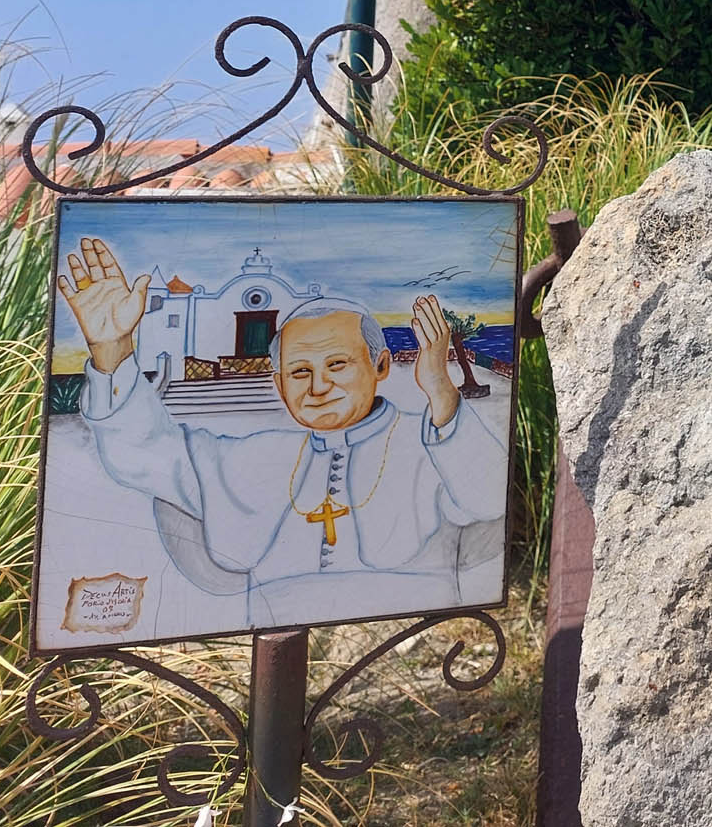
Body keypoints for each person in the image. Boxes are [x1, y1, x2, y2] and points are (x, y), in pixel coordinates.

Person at [61, 236, 507, 628]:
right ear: (277, 384)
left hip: (418, 628)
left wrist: (443, 396)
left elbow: (490, 499)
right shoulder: (257, 455)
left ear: (382, 366)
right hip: (274, 620)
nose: (317, 387)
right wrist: (113, 352)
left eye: (337, 365)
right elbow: (145, 455)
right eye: (298, 371)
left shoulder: (435, 438)